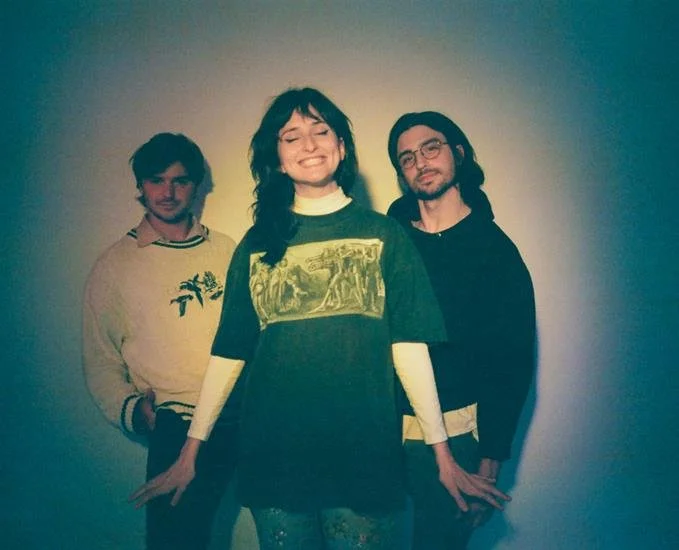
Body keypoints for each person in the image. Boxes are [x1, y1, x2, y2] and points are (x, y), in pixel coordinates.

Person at [131, 88, 509, 550]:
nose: (308, 145)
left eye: (320, 131)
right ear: (277, 158)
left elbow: (410, 351)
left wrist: (443, 457)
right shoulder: (256, 245)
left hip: (364, 464)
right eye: (291, 137)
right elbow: (229, 354)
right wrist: (190, 453)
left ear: (341, 147)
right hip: (275, 464)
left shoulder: (385, 235)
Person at [82, 133, 240, 550]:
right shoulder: (116, 265)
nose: (168, 193)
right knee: (176, 542)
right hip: (175, 424)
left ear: (196, 186)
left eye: (180, 181)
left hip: (241, 416)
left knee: (281, 529)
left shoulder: (226, 250)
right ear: (141, 186)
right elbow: (100, 360)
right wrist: (135, 412)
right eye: (156, 180)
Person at [386, 111, 536, 549]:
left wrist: (490, 461)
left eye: (430, 147)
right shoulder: (388, 244)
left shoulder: (496, 252)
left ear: (459, 153)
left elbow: (511, 362)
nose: (420, 162)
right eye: (407, 157)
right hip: (379, 431)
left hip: (456, 437)